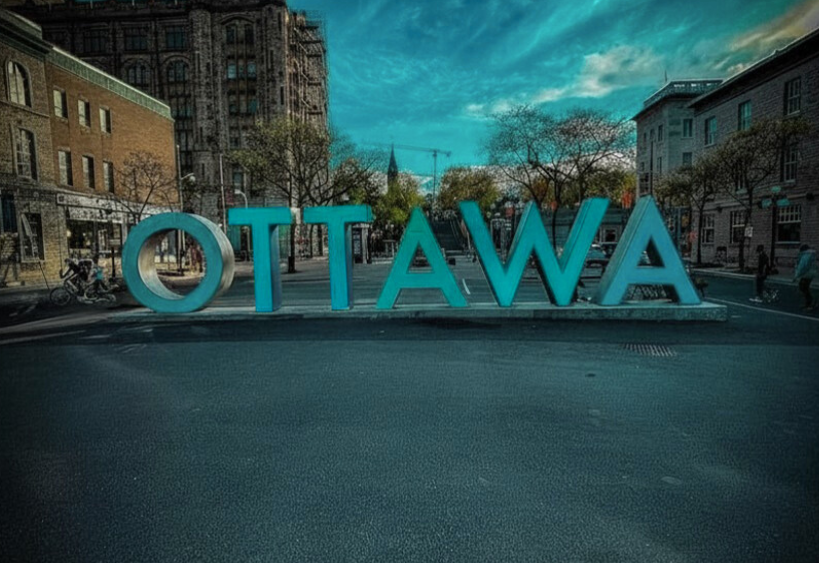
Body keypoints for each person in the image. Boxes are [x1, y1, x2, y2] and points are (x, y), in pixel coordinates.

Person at [793, 244, 817, 310]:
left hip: (806, 274)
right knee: (804, 287)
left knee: (803, 287)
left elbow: (802, 266)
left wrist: (796, 276)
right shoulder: (811, 254)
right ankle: (809, 303)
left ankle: (811, 303)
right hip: (810, 274)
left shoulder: (806, 256)